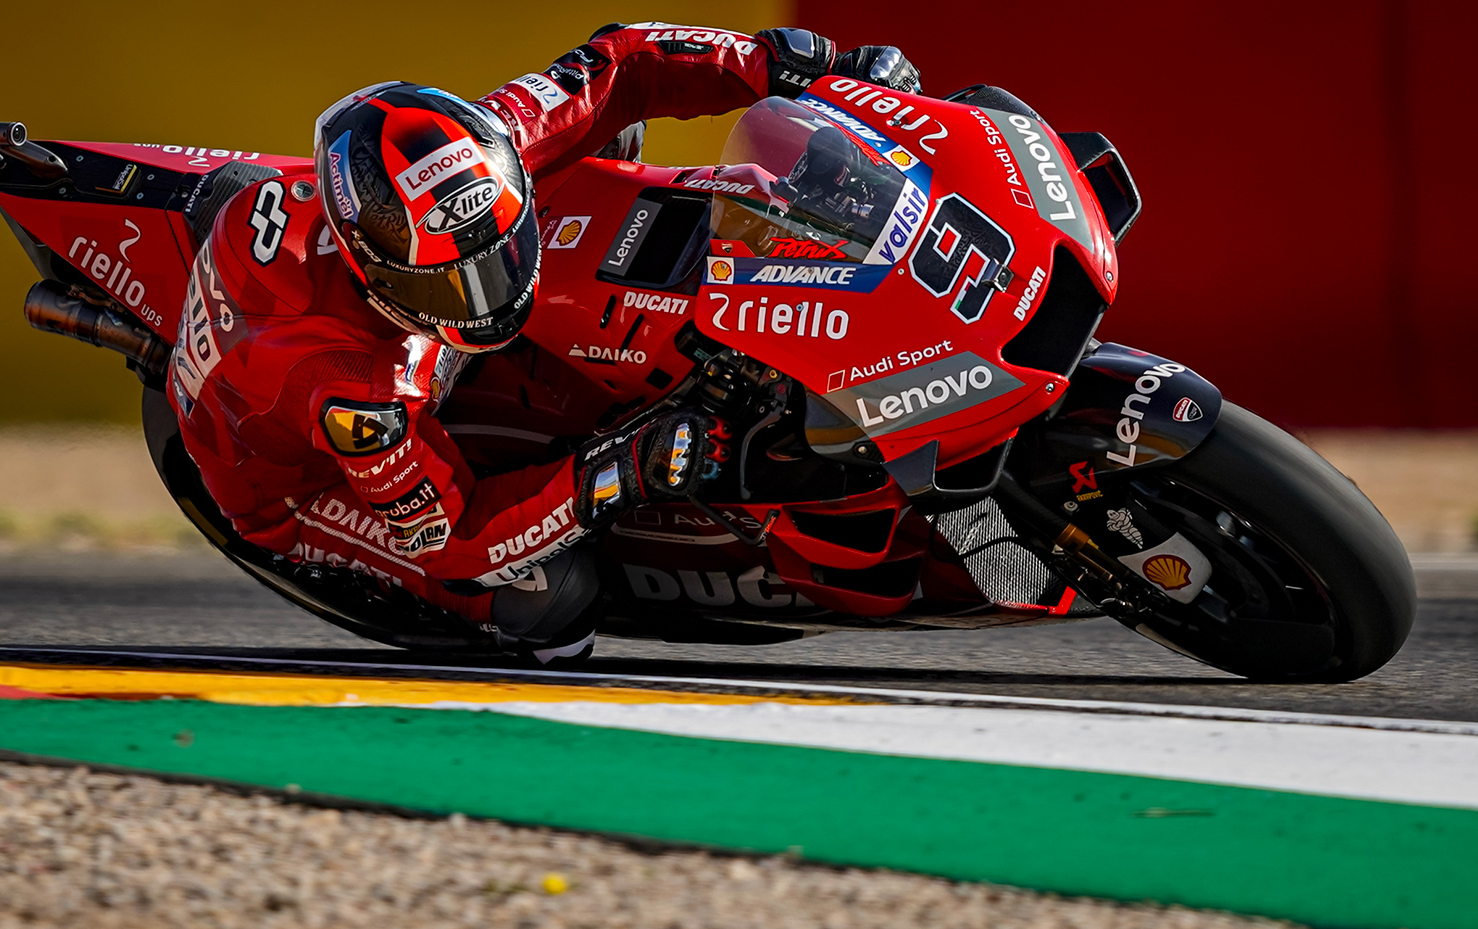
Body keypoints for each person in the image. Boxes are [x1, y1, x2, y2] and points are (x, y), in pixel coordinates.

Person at [168, 23, 920, 661]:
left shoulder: (488, 143)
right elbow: (453, 537)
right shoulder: (353, 387)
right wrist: (616, 470)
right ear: (376, 272)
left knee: (606, 137)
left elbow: (623, 62)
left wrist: (788, 64)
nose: (490, 296)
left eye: (501, 251)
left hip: (400, 339)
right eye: (452, 284)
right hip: (300, 486)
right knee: (549, 604)